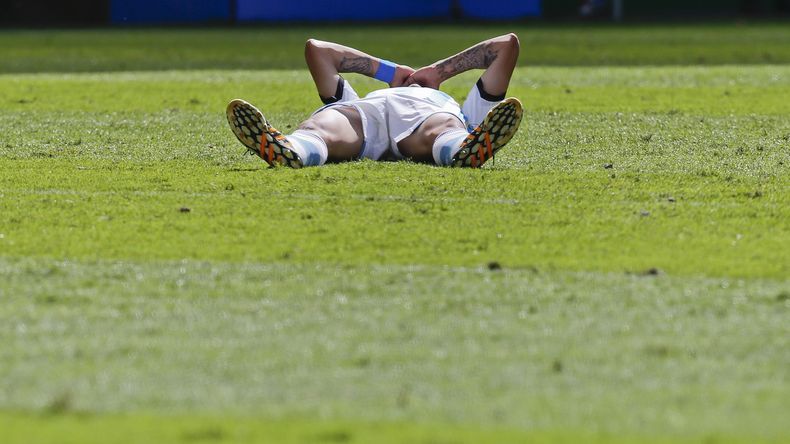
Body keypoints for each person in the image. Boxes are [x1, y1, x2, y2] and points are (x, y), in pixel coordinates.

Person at [226, 33, 523, 169]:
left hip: (425, 122)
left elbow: (506, 45)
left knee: (445, 127)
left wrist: (439, 72)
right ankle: (289, 150)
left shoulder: (458, 106)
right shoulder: (367, 97)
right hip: (367, 118)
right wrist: (389, 72)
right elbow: (316, 49)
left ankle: (465, 149)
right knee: (322, 125)